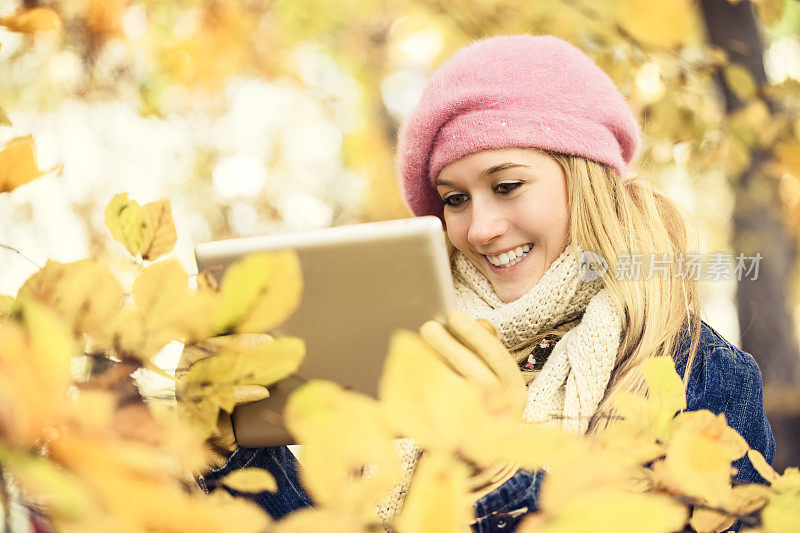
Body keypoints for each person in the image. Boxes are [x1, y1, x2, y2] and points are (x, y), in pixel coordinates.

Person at [180, 34, 776, 532]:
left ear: (585, 179)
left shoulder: (704, 375)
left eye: (508, 185)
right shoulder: (405, 349)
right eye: (455, 199)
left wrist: (503, 474)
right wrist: (233, 454)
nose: (481, 228)